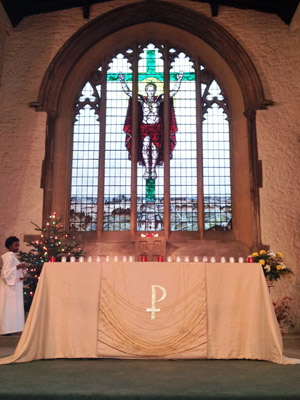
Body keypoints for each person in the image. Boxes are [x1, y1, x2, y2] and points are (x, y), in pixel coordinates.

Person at [119, 71, 184, 179]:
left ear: (154, 91)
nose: (150, 92)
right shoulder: (141, 99)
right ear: (146, 91)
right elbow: (128, 92)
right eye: (149, 90)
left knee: (154, 148)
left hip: (156, 127)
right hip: (144, 126)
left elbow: (173, 92)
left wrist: (179, 79)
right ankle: (147, 169)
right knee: (145, 146)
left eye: (152, 90)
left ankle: (153, 169)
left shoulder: (159, 100)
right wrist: (122, 80)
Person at [0, 236, 26, 335]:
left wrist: (21, 275)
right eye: (15, 245)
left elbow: (13, 271)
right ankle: (7, 330)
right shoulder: (10, 256)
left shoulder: (12, 256)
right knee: (9, 308)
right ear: (10, 246)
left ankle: (11, 329)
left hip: (13, 287)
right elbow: (5, 273)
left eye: (18, 245)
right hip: (9, 289)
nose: (17, 247)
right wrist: (18, 266)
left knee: (12, 308)